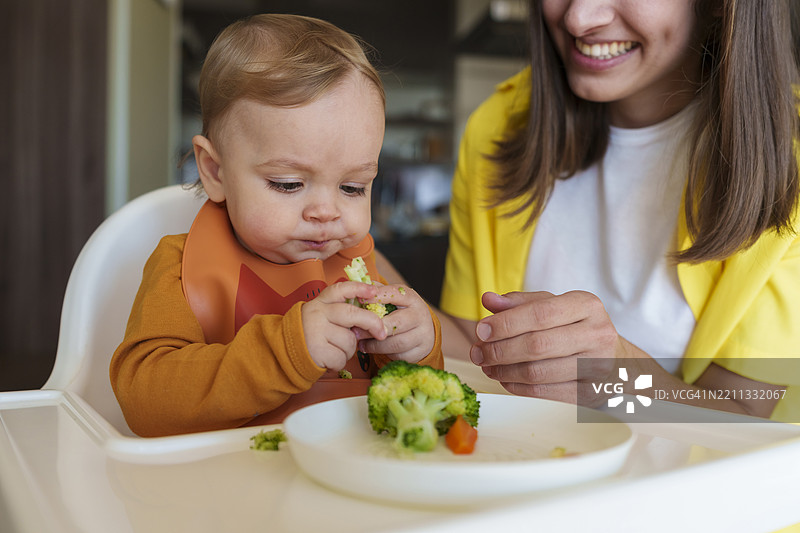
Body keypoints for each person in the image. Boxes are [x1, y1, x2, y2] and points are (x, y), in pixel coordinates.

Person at [432, 0, 799, 421]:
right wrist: (371, 274)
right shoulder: (497, 125)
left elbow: (742, 419)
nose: (578, 18)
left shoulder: (792, 164)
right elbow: (475, 348)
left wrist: (614, 378)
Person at [110, 14, 443, 437]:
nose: (327, 212)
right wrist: (287, 351)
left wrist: (416, 349)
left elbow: (404, 394)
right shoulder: (181, 266)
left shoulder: (353, 260)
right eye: (288, 184)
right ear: (215, 171)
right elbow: (144, 399)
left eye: (353, 187)